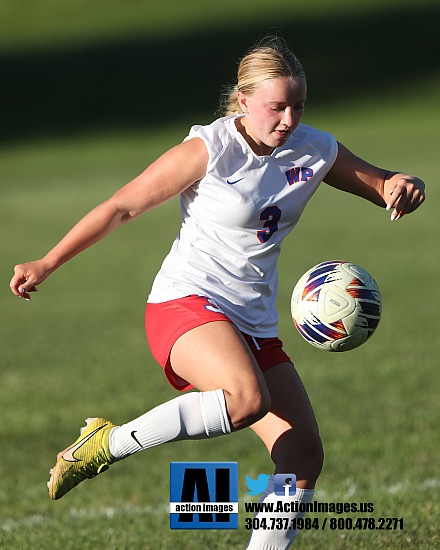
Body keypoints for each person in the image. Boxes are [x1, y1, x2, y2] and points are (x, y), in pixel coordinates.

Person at [9, 36, 425, 549]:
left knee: (301, 455)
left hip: (251, 322)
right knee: (246, 399)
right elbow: (123, 207)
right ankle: (107, 443)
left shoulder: (315, 148)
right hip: (185, 304)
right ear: (243, 99)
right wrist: (48, 261)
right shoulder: (210, 148)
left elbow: (384, 182)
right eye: (276, 107)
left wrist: (403, 185)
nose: (288, 119)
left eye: (298, 105)